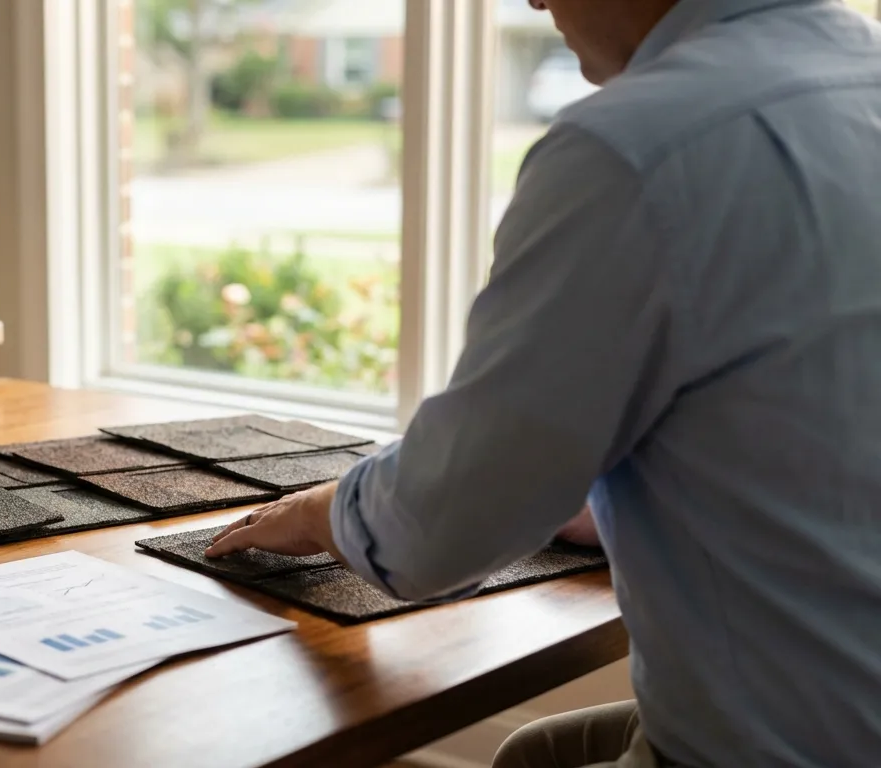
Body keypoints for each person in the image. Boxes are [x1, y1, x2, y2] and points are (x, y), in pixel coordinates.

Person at [204, 0, 881, 766]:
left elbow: (438, 532)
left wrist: (325, 510)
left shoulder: (636, 148)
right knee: (533, 754)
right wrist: (605, 497)